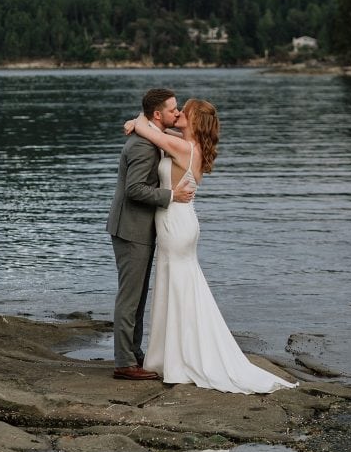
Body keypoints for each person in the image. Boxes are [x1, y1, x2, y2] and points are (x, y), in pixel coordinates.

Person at [126, 99, 299, 394]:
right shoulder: (189, 145)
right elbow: (153, 131)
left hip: (176, 224)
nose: (179, 113)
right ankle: (173, 355)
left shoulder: (183, 147)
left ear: (194, 120)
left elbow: (148, 129)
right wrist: (139, 124)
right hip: (180, 222)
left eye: (185, 111)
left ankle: (177, 359)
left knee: (177, 288)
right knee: (178, 287)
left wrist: (133, 122)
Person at [106, 88, 195, 380]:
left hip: (138, 229)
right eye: (173, 110)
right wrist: (171, 195)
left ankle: (134, 355)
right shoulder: (144, 147)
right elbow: (134, 190)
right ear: (157, 114)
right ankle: (124, 362)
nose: (177, 113)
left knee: (138, 296)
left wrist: (136, 121)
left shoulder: (149, 136)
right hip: (131, 229)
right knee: (130, 298)